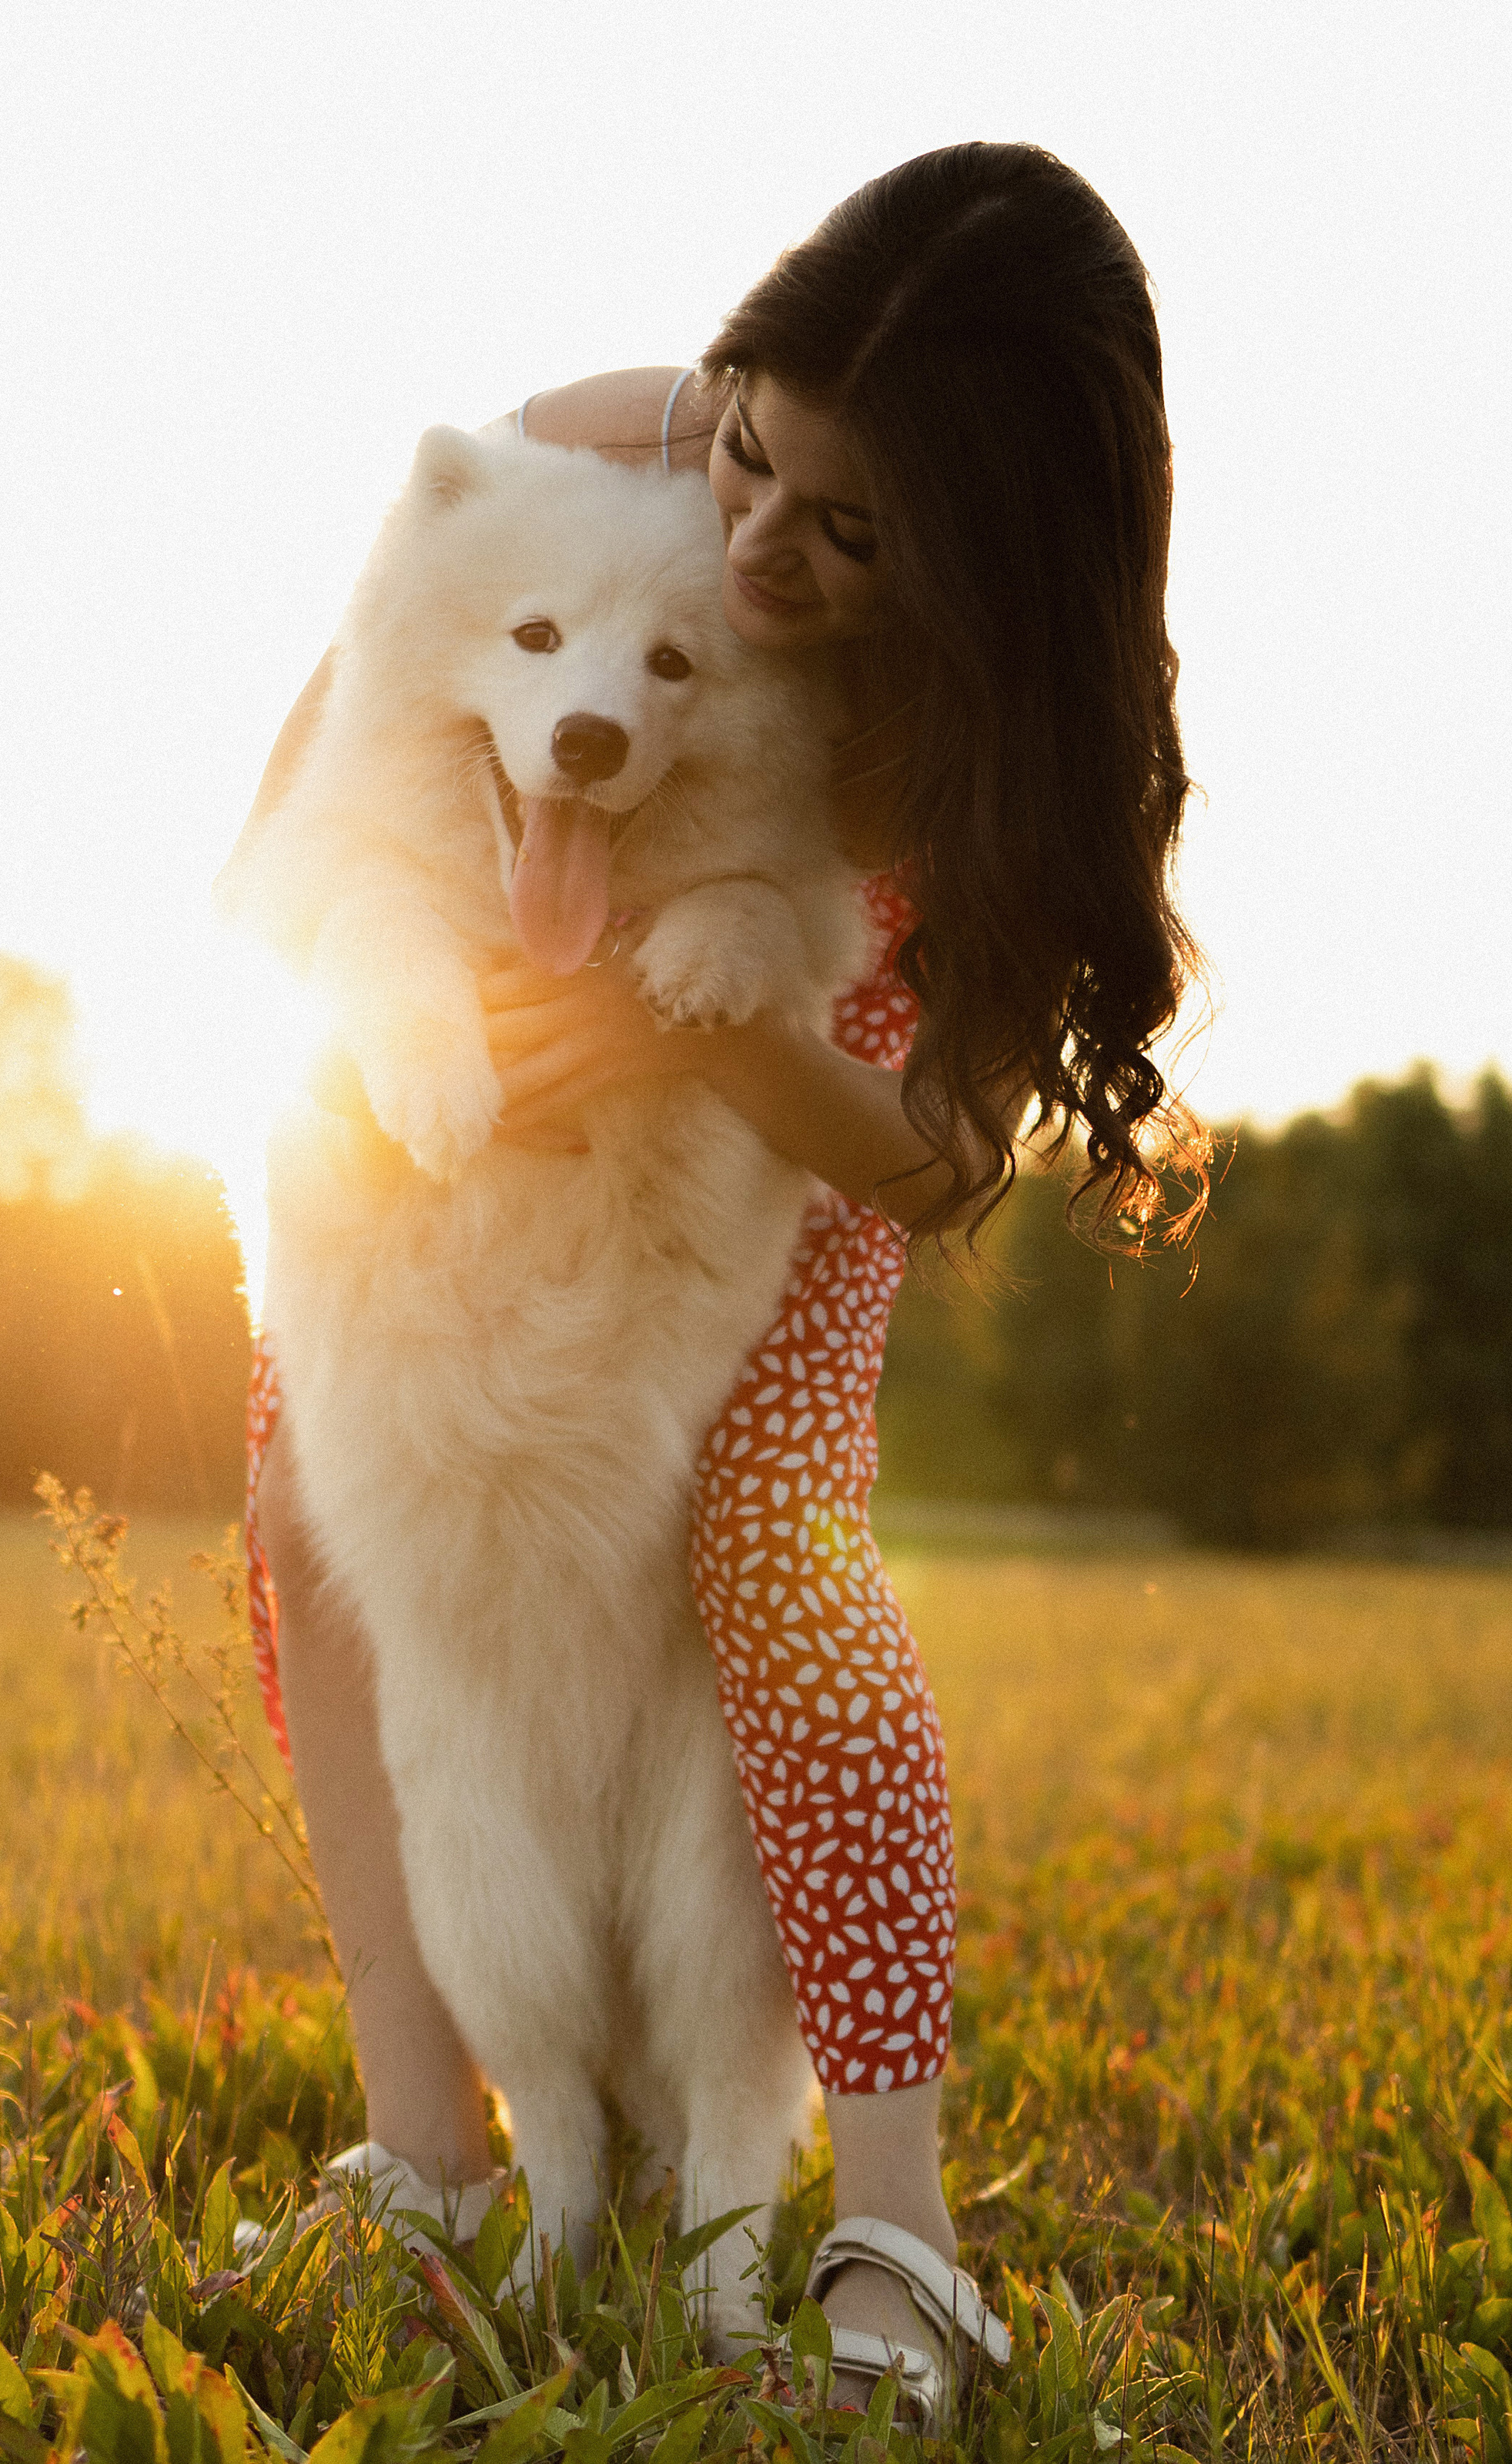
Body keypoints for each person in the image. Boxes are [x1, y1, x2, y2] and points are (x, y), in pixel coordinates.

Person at [233, 142, 1200, 2423]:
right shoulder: (599, 448)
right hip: (448, 1095)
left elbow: (939, 1163)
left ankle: (893, 2234)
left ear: (985, 561)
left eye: (848, 537)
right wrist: (416, 1033)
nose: (759, 545)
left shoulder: (1008, 739)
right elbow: (288, 827)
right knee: (300, 1517)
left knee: (773, 1554)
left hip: (791, 1126)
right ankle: (425, 2150)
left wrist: (703, 1036)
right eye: (757, 451)